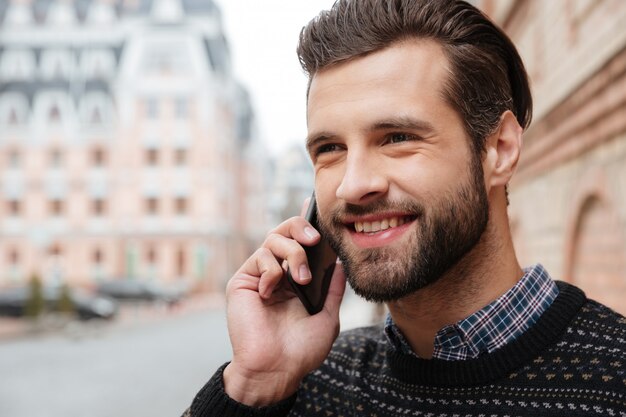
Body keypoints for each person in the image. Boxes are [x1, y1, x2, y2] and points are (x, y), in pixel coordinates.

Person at [183, 0, 626, 416]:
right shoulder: (302, 382)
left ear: (500, 149)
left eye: (397, 138)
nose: (353, 185)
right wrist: (254, 384)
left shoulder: (612, 380)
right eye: (330, 148)